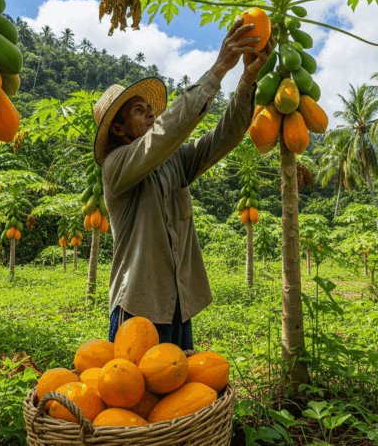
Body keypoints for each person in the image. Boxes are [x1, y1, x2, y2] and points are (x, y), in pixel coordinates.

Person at [92, 17, 272, 350]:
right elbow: (164, 135)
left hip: (177, 305)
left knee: (178, 397)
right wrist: (219, 69)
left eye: (151, 109)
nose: (150, 114)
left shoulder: (171, 160)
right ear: (118, 130)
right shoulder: (117, 167)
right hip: (137, 309)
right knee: (131, 397)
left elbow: (223, 137)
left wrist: (248, 79)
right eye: (139, 111)